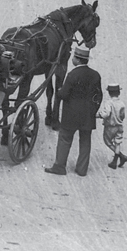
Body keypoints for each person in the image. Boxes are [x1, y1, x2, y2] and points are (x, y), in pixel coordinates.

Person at [45, 47, 103, 176]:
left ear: (77, 59)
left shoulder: (72, 75)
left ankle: (59, 166)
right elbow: (99, 96)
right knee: (85, 141)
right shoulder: (95, 75)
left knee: (65, 139)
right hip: (88, 115)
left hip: (70, 115)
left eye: (74, 57)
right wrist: (93, 110)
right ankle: (82, 170)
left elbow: (64, 94)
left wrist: (59, 90)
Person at [101, 83, 127, 169]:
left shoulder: (109, 103)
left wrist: (98, 115)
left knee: (107, 141)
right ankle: (115, 160)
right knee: (118, 142)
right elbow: (123, 115)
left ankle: (121, 156)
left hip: (110, 126)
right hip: (119, 126)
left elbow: (106, 114)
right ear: (119, 92)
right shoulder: (122, 103)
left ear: (109, 93)